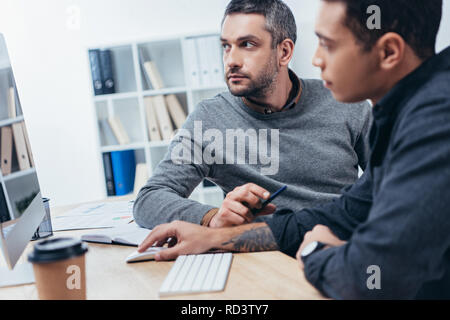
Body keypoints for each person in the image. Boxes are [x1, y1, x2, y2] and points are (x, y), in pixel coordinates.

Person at [138, 0, 450, 299]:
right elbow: (354, 208)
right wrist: (213, 230)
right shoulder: (409, 111)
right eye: (226, 46)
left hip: (333, 261)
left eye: (327, 44)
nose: (230, 59)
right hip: (288, 258)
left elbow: (375, 269)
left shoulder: (427, 121)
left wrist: (315, 249)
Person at [133, 0, 372, 230]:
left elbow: (394, 183)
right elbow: (149, 199)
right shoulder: (209, 120)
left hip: (338, 246)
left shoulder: (346, 101)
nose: (231, 61)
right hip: (259, 255)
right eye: (226, 46)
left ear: (284, 52)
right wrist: (212, 217)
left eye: (247, 44)